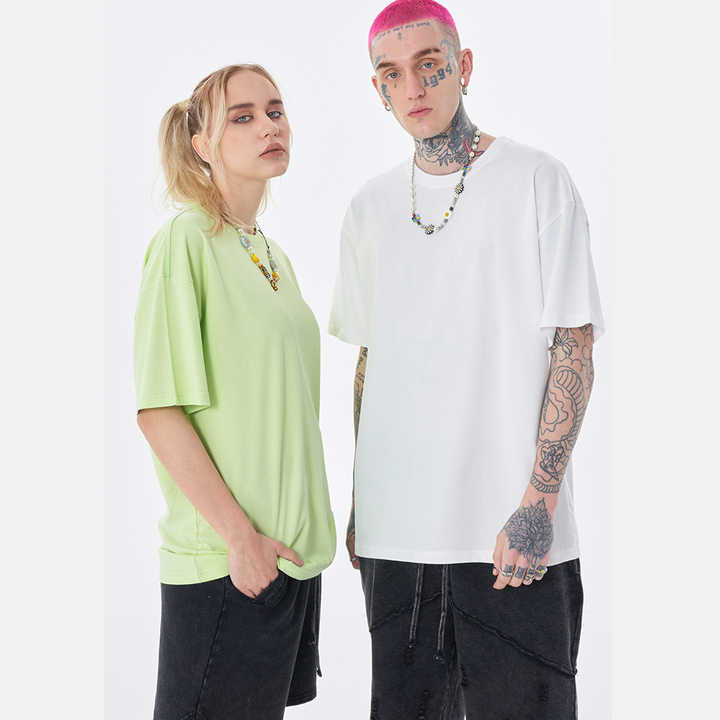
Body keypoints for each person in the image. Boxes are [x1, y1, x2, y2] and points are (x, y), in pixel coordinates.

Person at [328, 2, 605, 718]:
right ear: (378, 90)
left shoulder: (537, 179)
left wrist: (539, 501)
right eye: (392, 74)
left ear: (464, 66)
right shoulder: (368, 208)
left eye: (430, 65)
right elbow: (370, 362)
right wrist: (362, 501)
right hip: (397, 543)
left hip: (510, 533)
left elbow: (574, 345)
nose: (414, 86)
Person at [133, 64, 336, 720]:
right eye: (242, 117)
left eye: (274, 110)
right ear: (202, 144)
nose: (268, 126)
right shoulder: (185, 240)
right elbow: (160, 411)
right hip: (227, 562)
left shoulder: (272, 256)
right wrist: (240, 539)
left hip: (286, 563)